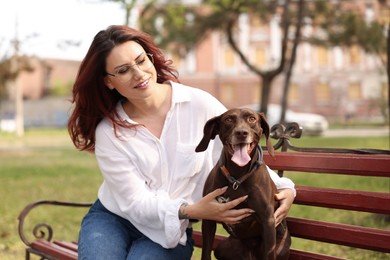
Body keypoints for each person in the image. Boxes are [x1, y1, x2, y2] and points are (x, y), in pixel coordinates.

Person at [67, 25, 295, 260]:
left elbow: (240, 155)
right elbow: (134, 202)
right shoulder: (109, 131)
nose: (139, 73)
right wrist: (191, 210)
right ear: (108, 82)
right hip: (114, 220)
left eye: (141, 60)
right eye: (124, 70)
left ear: (151, 58)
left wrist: (286, 187)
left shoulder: (199, 104)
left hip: (171, 231)